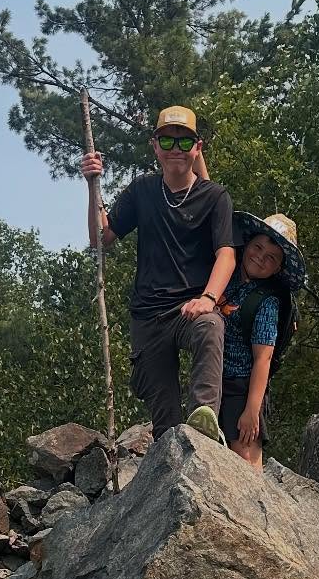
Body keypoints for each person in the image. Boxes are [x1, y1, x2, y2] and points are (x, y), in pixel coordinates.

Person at [79, 106, 235, 442]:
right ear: (155, 146)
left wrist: (207, 298)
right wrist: (93, 185)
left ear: (197, 147)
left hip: (190, 309)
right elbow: (100, 238)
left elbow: (227, 254)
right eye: (167, 140)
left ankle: (204, 423)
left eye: (184, 141)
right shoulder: (142, 191)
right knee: (165, 427)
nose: (176, 149)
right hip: (148, 319)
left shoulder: (215, 196)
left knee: (210, 326)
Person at [217, 215, 302, 467]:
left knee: (244, 464)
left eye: (271, 257)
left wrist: (251, 411)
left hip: (243, 388)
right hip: (213, 381)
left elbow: (263, 358)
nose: (260, 257)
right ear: (248, 243)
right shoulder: (227, 276)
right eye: (258, 247)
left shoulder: (267, 302)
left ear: (278, 268)